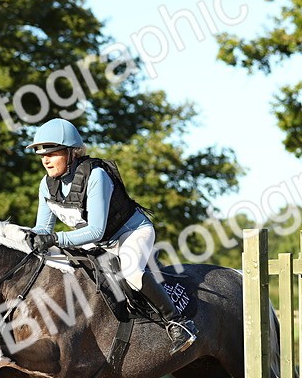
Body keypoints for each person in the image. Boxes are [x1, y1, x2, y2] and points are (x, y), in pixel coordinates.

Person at [25, 118, 198, 355]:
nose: (45, 159)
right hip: (98, 243)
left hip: (130, 233)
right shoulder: (46, 185)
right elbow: (43, 227)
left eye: (53, 153)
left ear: (72, 152)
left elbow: (95, 230)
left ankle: (178, 323)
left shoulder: (96, 176)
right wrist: (26, 237)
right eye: (42, 154)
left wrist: (56, 239)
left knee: (133, 273)